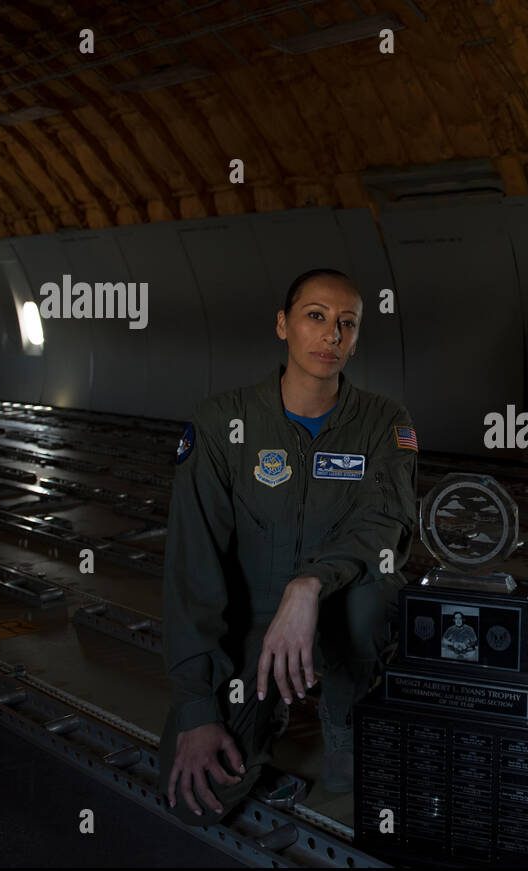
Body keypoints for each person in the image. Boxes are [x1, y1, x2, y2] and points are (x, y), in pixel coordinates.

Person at [159, 268, 418, 824]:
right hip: (254, 624)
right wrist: (197, 707)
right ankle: (268, 702)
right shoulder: (223, 422)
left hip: (340, 608)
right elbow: (192, 567)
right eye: (316, 317)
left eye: (347, 324)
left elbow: (385, 526)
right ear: (283, 325)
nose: (332, 335)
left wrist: (309, 584)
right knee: (195, 798)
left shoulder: (382, 423)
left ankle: (345, 713)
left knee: (377, 594)